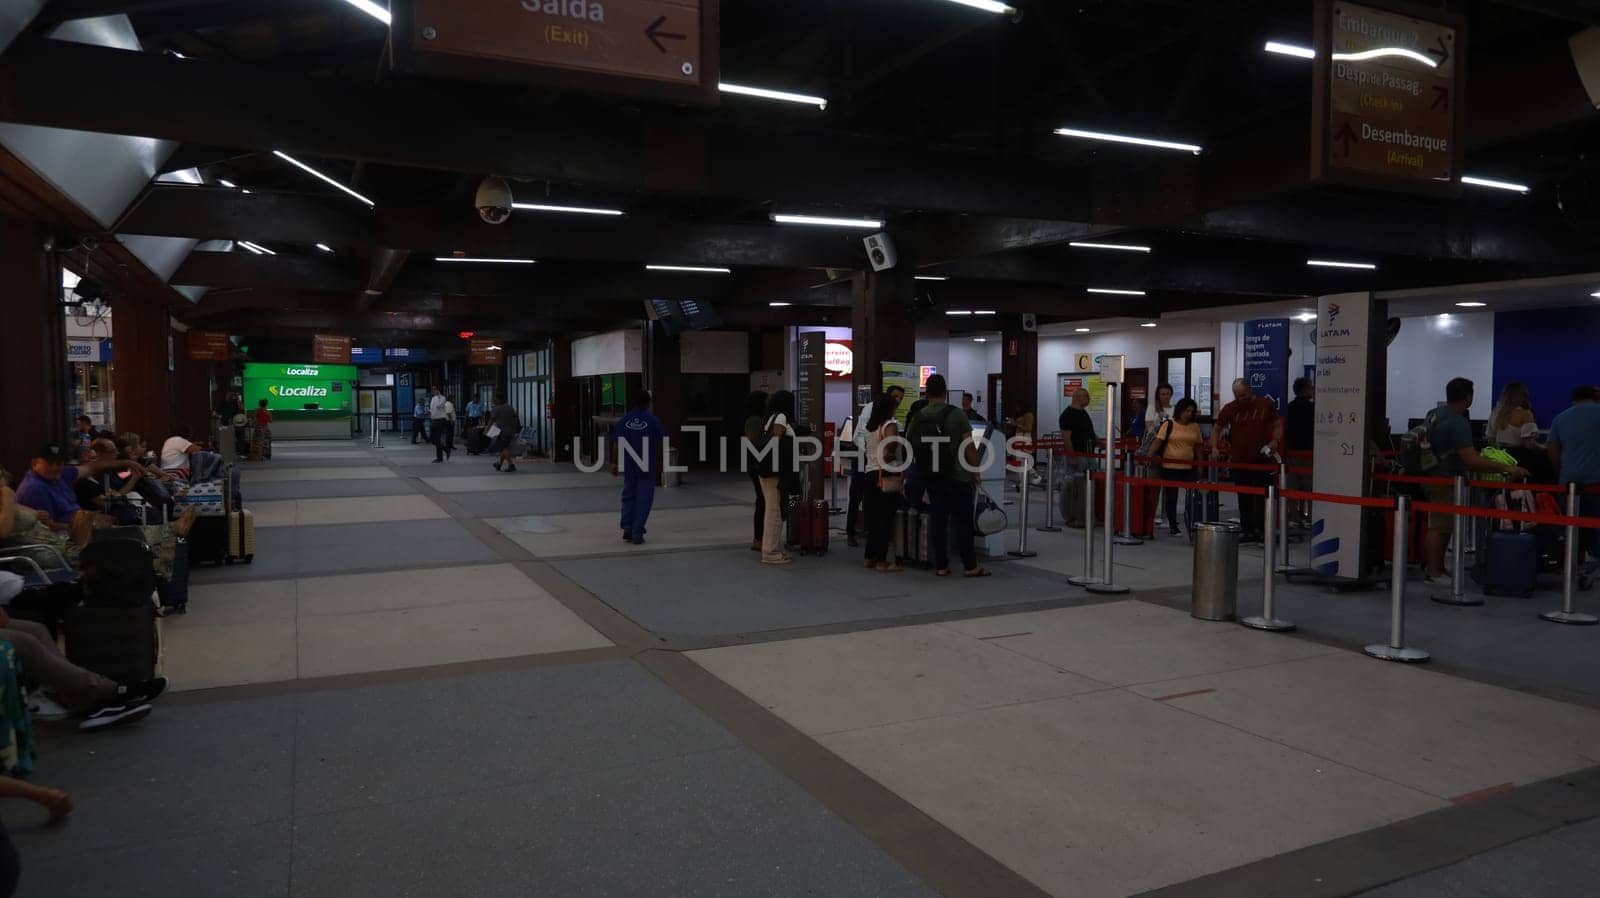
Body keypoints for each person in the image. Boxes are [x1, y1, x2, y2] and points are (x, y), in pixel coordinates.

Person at [1421, 377, 1530, 584]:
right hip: (1444, 479)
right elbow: (1470, 459)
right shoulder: (1458, 422)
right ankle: (1434, 572)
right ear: (1468, 398)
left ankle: (1438, 569)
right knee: (1440, 526)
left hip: (1432, 475)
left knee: (1443, 525)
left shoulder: (1434, 414)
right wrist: (1507, 467)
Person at [908, 374, 989, 578]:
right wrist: (976, 471)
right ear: (945, 393)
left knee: (938, 520)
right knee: (963, 521)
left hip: (932, 476)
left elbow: (910, 443)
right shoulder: (957, 415)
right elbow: (969, 447)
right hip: (959, 476)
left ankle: (941, 566)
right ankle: (970, 565)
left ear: (926, 393)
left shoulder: (919, 415)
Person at [1210, 378, 1279, 543]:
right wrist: (1214, 446)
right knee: (1244, 497)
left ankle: (1263, 530)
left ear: (1250, 390)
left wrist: (1275, 441)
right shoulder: (1230, 408)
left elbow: (1277, 424)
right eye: (1237, 395)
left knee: (1264, 497)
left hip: (1263, 459)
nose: (1240, 399)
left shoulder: (1265, 404)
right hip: (1240, 460)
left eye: (1243, 395)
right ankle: (1247, 529)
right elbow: (1217, 428)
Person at [15, 443, 142, 528]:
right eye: (49, 463)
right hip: (66, 542)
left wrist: (127, 462)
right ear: (34, 464)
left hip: (82, 527)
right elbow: (50, 528)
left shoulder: (62, 474)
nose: (55, 467)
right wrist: (91, 523)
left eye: (59, 462)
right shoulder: (35, 488)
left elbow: (92, 467)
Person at [1547, 384, 1600, 578]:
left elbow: (1551, 448)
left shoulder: (1561, 418)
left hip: (1568, 483)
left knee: (1570, 530)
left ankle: (1571, 566)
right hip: (1596, 483)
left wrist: (1561, 469)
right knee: (1595, 529)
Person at [848, 386, 905, 547]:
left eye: (901, 398)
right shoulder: (871, 409)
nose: (898, 400)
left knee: (873, 503)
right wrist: (873, 454)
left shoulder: (889, 418)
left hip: (874, 463)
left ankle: (871, 538)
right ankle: (851, 532)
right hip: (866, 459)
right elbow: (860, 436)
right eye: (895, 397)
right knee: (857, 495)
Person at [609, 391, 665, 546]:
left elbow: (616, 442)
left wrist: (614, 463)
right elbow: (661, 442)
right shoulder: (653, 421)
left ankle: (627, 526)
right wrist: (660, 462)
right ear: (648, 403)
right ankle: (637, 532)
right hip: (647, 466)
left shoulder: (624, 420)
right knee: (644, 499)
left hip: (629, 467)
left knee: (629, 496)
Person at [861, 391, 903, 572]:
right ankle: (882, 561)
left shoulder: (869, 428)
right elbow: (892, 445)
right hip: (883, 474)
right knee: (885, 519)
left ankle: (869, 558)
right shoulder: (889, 424)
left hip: (869, 473)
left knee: (873, 519)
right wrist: (891, 455)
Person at [757, 391, 798, 565]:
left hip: (767, 470)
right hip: (775, 472)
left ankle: (772, 547)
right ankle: (770, 552)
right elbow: (777, 440)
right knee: (774, 512)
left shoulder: (771, 416)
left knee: (771, 509)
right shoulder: (781, 417)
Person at [1154, 398, 1203, 536]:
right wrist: (1148, 457)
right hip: (1170, 466)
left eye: (1191, 411)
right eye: (1186, 410)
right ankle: (1173, 525)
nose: (1188, 414)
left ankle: (1193, 522)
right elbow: (1158, 441)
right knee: (1172, 497)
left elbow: (1198, 445)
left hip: (1189, 466)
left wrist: (1200, 464)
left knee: (1193, 496)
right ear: (1180, 410)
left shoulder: (1195, 427)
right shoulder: (1169, 424)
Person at [1283, 377, 1315, 522]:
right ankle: (1311, 515)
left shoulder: (1289, 408)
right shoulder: (1313, 409)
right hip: (1308, 453)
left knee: (1293, 485)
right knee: (1309, 485)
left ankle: (1294, 515)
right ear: (1305, 389)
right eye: (1311, 387)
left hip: (1292, 452)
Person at [741, 391, 770, 552]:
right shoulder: (754, 421)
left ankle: (760, 537)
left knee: (762, 501)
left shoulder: (755, 419)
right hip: (756, 464)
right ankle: (758, 538)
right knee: (762, 501)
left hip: (754, 463)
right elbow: (755, 442)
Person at [160, 424, 224, 482]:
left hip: (165, 471)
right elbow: (196, 449)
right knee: (202, 455)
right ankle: (201, 479)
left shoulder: (169, 440)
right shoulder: (178, 439)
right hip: (177, 471)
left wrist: (194, 443)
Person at [1059, 388, 1096, 469]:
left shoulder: (1083, 412)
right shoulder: (1068, 415)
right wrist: (1072, 457)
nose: (1089, 398)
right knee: (1077, 480)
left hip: (1088, 454)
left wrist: (1098, 441)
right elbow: (1066, 438)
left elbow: (1088, 431)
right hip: (1078, 455)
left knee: (1090, 479)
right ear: (1078, 397)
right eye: (1086, 396)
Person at [487, 394, 521, 473]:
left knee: (504, 448)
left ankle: (511, 465)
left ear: (498, 400)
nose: (493, 401)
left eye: (494, 399)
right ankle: (499, 464)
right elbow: (515, 418)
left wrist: (486, 430)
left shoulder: (496, 409)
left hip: (502, 432)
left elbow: (491, 420)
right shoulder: (510, 407)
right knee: (504, 447)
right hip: (511, 431)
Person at [429, 387, 455, 463]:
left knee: (437, 439)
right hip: (434, 420)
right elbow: (432, 408)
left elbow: (439, 405)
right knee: (433, 439)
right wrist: (429, 412)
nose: (433, 391)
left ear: (438, 390)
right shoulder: (433, 398)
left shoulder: (443, 398)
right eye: (432, 390)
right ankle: (446, 450)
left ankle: (439, 458)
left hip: (440, 420)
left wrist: (439, 395)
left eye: (434, 390)